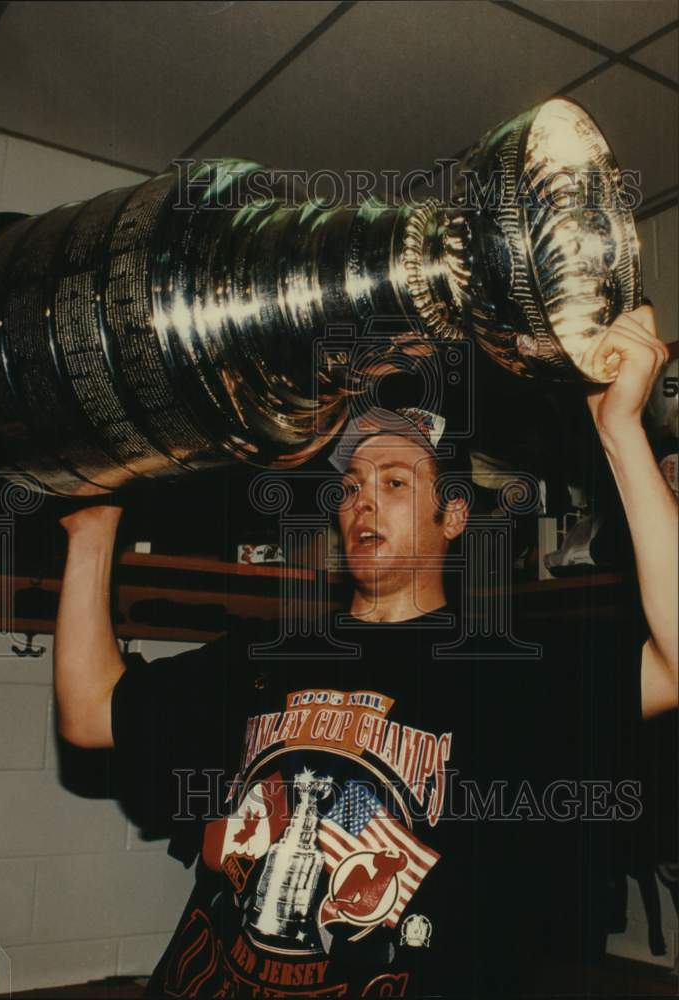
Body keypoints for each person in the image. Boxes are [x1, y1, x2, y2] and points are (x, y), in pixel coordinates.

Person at [54, 305, 677, 998]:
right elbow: (90, 713)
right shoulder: (268, 655)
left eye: (394, 484)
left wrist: (619, 430)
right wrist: (93, 528)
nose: (361, 505)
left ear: (455, 516)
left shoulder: (512, 669)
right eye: (350, 487)